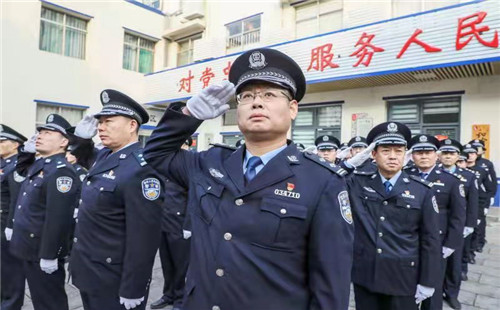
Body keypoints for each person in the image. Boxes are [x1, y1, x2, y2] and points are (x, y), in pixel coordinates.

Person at [144, 48, 354, 310]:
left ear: (292, 109)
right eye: (247, 96)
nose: (257, 102)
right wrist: (189, 115)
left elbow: (330, 284)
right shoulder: (208, 163)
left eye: (269, 94)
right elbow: (155, 153)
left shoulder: (322, 181)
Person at [69, 90, 164, 310]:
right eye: (100, 122)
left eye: (108, 121)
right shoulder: (105, 155)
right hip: (89, 270)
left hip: (113, 278)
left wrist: (134, 287)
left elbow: (144, 237)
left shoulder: (141, 169)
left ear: (132, 126)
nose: (100, 127)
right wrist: (81, 137)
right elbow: (84, 155)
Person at [347, 122, 441, 310]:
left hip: (403, 277)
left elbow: (431, 238)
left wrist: (428, 281)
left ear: (405, 155)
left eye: (398, 151)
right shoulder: (357, 182)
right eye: (386, 150)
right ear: (373, 154)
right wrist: (348, 164)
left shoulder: (421, 190)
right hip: (367, 274)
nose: (392, 157)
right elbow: (328, 182)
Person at [9, 114, 79, 310]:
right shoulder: (41, 164)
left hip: (42, 250)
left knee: (50, 303)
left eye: (48, 133)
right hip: (30, 247)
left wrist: (50, 254)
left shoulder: (61, 171)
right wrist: (26, 152)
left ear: (64, 142)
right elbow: (21, 170)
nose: (40, 136)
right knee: (40, 300)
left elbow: (58, 218)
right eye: (40, 132)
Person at [405, 135, 466, 310]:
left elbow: (458, 216)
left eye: (428, 152)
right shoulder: (405, 176)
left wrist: (450, 245)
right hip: (410, 241)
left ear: (436, 155)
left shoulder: (451, 181)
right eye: (419, 152)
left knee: (433, 287)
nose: (424, 156)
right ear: (412, 155)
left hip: (437, 243)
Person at [150, 138, 193, 310]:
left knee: (181, 265)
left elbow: (194, 199)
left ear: (186, 146)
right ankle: (168, 294)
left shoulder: (189, 168)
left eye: (182, 144)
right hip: (163, 222)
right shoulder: (163, 166)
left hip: (180, 224)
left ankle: (180, 299)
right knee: (166, 263)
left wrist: (189, 225)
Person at [439, 139, 479, 309]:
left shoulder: (468, 176)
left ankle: (452, 293)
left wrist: (470, 224)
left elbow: (473, 203)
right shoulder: (433, 173)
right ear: (439, 155)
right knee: (435, 260)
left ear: (458, 156)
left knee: (454, 262)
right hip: (436, 226)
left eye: (452, 153)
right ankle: (435, 289)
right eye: (445, 153)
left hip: (457, 226)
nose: (448, 156)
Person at [0, 124, 27, 310]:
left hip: (6, 227)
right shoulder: (3, 165)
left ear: (16, 144)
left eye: (2, 141)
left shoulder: (18, 166)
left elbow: (17, 201)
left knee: (11, 270)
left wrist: (11, 227)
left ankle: (11, 305)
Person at [462, 143, 491, 265]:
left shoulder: (481, 170)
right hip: (461, 208)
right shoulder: (459, 170)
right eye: (467, 154)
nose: (469, 156)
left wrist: (485, 204)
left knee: (474, 231)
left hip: (475, 205)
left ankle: (471, 253)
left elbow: (488, 188)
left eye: (472, 153)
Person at [468, 139, 496, 252]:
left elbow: (492, 182)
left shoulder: (486, 164)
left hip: (481, 199)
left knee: (480, 223)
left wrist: (491, 197)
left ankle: (479, 242)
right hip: (469, 199)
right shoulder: (464, 162)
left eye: (478, 148)